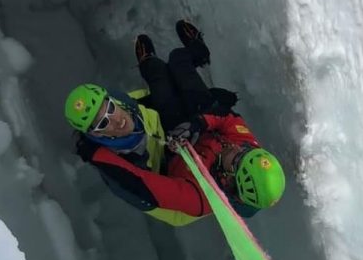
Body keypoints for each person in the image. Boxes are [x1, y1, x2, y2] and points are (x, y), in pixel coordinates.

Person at [64, 20, 286, 227]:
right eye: (245, 151)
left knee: (159, 76)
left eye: (236, 160)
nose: (237, 148)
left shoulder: (197, 198)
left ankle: (149, 63)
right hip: (196, 124)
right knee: (179, 60)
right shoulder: (246, 146)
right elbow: (229, 119)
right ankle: (197, 49)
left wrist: (95, 154)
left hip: (173, 144)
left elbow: (140, 183)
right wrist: (200, 123)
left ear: (230, 180)